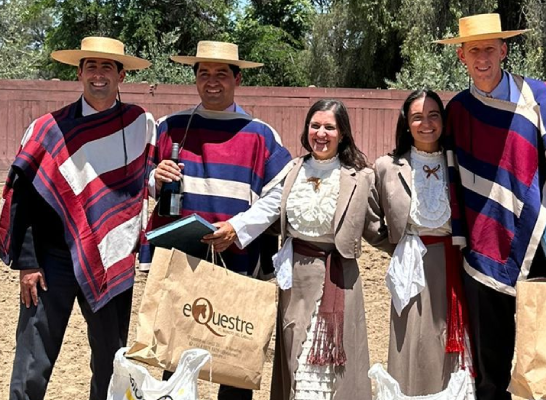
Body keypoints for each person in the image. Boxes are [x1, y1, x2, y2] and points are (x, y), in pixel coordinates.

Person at [0, 37, 155, 400]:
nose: (98, 75)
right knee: (33, 359)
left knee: (109, 358)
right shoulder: (48, 129)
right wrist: (28, 263)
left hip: (110, 260)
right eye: (91, 67)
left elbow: (149, 181)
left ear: (121, 75)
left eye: (107, 68)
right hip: (52, 261)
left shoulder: (139, 125)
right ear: (79, 73)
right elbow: (24, 197)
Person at [435, 13, 546, 399]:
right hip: (483, 241)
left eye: (489, 49)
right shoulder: (459, 111)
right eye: (473, 51)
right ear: (461, 58)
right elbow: (451, 176)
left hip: (544, 235)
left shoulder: (539, 96)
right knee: (490, 360)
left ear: (503, 50)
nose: (482, 57)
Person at [141, 40, 292, 400]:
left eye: (221, 74)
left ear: (237, 79)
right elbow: (140, 181)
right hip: (183, 259)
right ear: (194, 79)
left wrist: (238, 228)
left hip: (236, 258)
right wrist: (154, 178)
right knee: (175, 353)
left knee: (234, 357)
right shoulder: (170, 127)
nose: (212, 81)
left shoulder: (260, 134)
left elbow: (280, 193)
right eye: (204, 73)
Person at [269, 99, 387, 400]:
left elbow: (374, 227)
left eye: (329, 127)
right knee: (297, 362)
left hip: (341, 280)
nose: (321, 133)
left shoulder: (362, 177)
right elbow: (266, 212)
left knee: (331, 374)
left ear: (343, 133)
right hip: (297, 282)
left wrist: (412, 247)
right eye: (315, 125)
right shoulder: (292, 171)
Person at [372, 89, 471, 396]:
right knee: (411, 346)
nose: (426, 123)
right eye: (417, 117)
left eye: (433, 116)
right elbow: (371, 217)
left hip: (457, 265)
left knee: (449, 343)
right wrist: (400, 247)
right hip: (411, 268)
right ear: (406, 123)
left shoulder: (460, 163)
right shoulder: (387, 167)